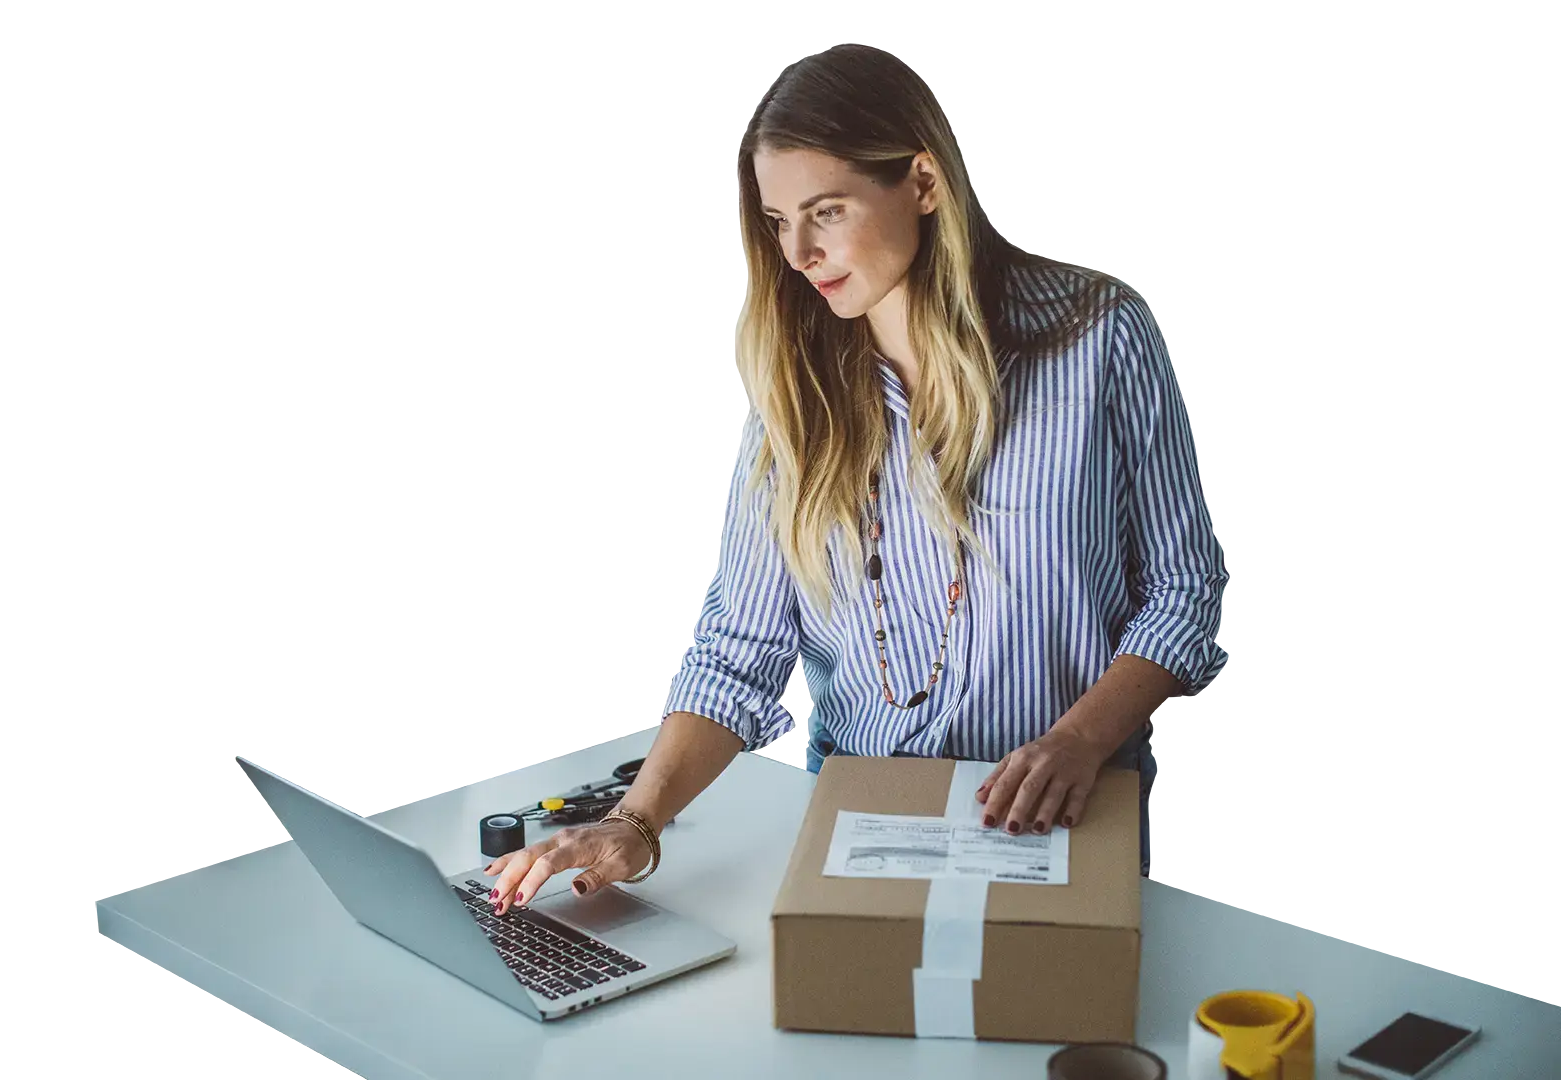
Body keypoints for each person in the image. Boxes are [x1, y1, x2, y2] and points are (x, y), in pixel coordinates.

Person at [486, 44, 1229, 916]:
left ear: (921, 182)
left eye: (825, 211)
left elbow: (1184, 596)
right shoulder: (793, 395)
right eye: (776, 221)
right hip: (863, 816)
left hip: (1068, 810)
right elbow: (740, 649)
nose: (798, 251)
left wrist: (1077, 740)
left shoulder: (1101, 342)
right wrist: (635, 824)